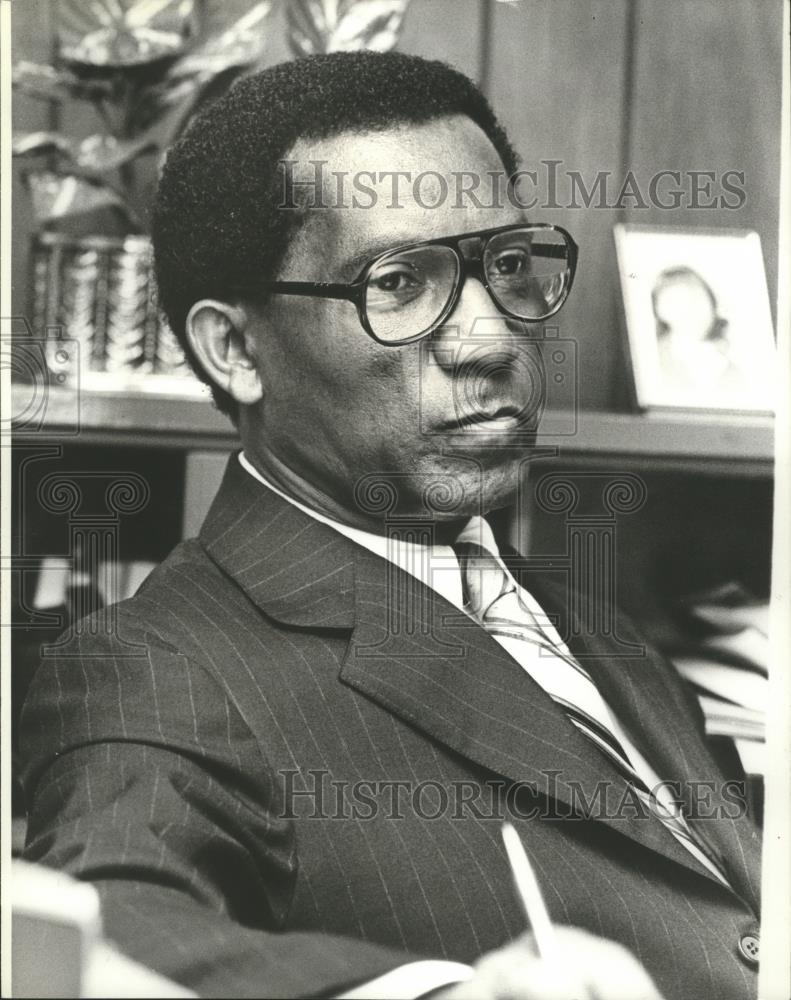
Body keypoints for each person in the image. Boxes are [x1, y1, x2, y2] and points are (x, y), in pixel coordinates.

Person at [20, 52, 761, 999]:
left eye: (503, 264)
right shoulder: (154, 663)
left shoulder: (583, 617)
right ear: (235, 349)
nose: (490, 338)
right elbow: (110, 931)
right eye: (400, 283)